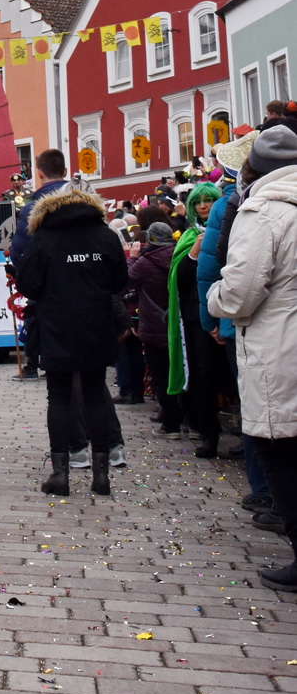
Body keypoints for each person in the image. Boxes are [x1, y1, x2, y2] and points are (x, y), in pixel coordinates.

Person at [207, 124, 297, 590]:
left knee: (279, 448)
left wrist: (215, 297)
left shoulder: (262, 211)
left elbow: (240, 292)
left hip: (279, 348)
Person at [14, 179, 128, 497]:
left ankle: (60, 475)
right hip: (96, 323)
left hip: (57, 325)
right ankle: (102, 476)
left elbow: (29, 285)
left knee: (59, 398)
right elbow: (120, 280)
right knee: (94, 396)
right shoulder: (105, 235)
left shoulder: (44, 238)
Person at [166, 183, 227, 459]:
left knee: (232, 374)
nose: (203, 206)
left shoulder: (230, 230)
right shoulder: (189, 236)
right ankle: (208, 435)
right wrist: (192, 255)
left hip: (227, 310)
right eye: (198, 202)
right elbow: (177, 281)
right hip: (196, 318)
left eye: (208, 200)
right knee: (203, 377)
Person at [7, 148, 69, 380]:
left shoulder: (33, 208)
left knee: (37, 320)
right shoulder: (88, 202)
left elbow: (19, 253)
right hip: (84, 283)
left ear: (39, 173)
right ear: (65, 171)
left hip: (48, 285)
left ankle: (36, 363)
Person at [129, 223, 181, 433]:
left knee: (161, 376)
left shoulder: (144, 262)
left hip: (153, 325)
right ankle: (192, 421)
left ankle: (171, 424)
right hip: (178, 325)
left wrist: (132, 257)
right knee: (182, 372)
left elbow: (125, 281)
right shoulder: (180, 253)